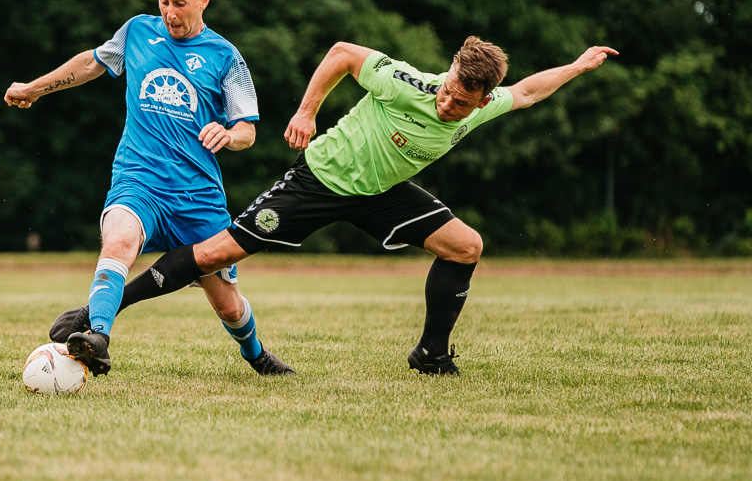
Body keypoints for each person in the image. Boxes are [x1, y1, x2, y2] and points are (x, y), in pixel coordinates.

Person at [50, 37, 618, 375]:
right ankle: (97, 315)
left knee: (466, 246)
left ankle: (431, 354)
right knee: (215, 255)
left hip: (379, 194)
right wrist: (306, 112)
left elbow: (529, 91)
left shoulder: (484, 104)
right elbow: (343, 53)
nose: (447, 104)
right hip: (321, 178)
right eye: (447, 90)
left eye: (461, 102)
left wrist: (578, 65)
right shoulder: (406, 82)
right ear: (446, 73)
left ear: (481, 99)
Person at [5, 0, 293, 377]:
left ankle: (257, 355)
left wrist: (229, 135)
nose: (170, 13)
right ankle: (97, 337)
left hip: (197, 196)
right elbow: (92, 62)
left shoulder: (225, 57)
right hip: (138, 179)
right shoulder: (138, 31)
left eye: (180, 3)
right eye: (163, 1)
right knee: (118, 242)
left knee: (228, 306)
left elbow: (248, 131)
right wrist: (34, 88)